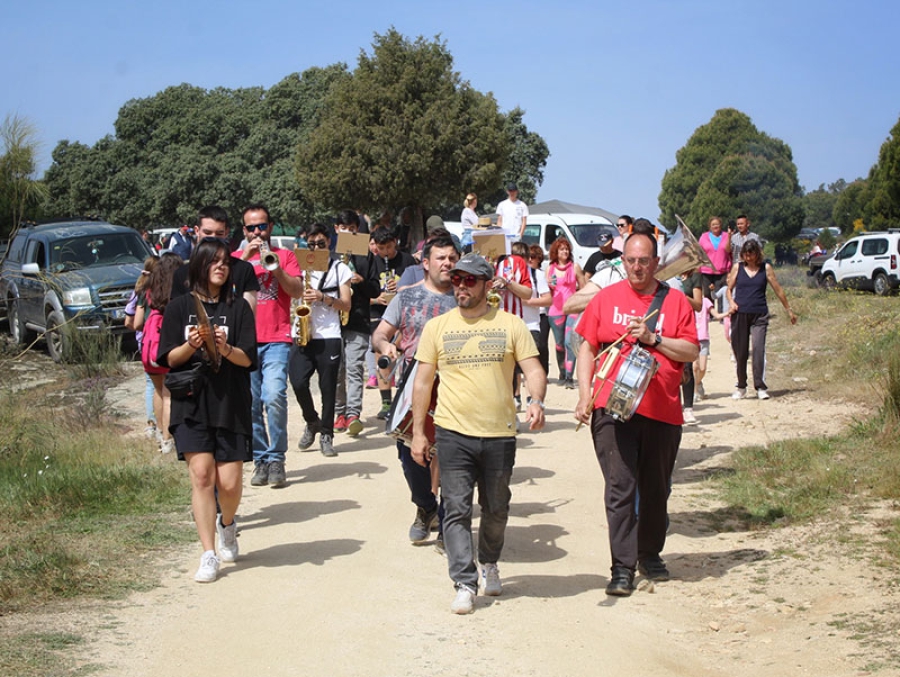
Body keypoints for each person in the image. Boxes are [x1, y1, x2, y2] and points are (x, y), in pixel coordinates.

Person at [410, 253, 547, 615]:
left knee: (496, 508)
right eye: (456, 279)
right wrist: (420, 434)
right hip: (452, 432)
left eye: (470, 280)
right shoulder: (437, 327)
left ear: (488, 285)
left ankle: (489, 562)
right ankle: (464, 582)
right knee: (454, 508)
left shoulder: (510, 324)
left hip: (499, 433)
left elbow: (533, 368)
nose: (461, 286)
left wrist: (536, 401)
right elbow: (423, 382)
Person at [574, 231, 699, 597]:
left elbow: (690, 351)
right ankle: (622, 567)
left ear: (656, 263)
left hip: (662, 410)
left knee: (656, 489)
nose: (637, 267)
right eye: (631, 260)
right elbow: (586, 348)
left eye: (645, 261)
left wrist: (654, 339)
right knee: (620, 488)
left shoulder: (675, 302)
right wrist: (584, 396)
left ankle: (650, 553)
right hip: (612, 410)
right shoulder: (605, 299)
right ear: (622, 261)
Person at [157, 237, 258, 583]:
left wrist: (225, 348)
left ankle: (227, 523)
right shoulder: (178, 307)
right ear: (199, 266)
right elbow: (168, 359)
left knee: (228, 485)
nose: (221, 266)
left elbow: (248, 359)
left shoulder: (238, 308)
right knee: (202, 476)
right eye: (214, 261)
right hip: (191, 402)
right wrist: (191, 344)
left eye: (226, 262)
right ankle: (208, 553)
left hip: (230, 401)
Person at [372, 234, 460, 545]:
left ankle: (450, 520)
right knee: (410, 453)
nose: (447, 263)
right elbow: (380, 334)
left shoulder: (466, 299)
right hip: (413, 384)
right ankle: (426, 506)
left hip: (455, 383)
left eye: (452, 258)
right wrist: (386, 346)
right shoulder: (406, 298)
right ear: (425, 263)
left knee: (451, 453)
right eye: (440, 258)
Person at [236, 205, 303, 488]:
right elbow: (225, 293)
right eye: (251, 228)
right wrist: (246, 260)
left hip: (276, 337)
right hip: (244, 341)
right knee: (250, 404)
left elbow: (297, 291)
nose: (256, 233)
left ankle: (277, 458)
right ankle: (260, 458)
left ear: (270, 227)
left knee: (274, 396)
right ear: (244, 231)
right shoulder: (234, 260)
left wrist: (273, 268)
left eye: (261, 226)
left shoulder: (285, 255)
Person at [291, 225, 353, 457]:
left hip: (329, 335)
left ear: (329, 243)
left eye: (320, 244)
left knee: (327, 388)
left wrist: (323, 297)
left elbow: (346, 304)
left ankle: (327, 433)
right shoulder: (300, 267)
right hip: (303, 333)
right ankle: (312, 420)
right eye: (312, 244)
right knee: (297, 381)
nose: (316, 248)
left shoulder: (340, 269)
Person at [726, 239, 797, 400]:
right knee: (741, 352)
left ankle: (760, 386)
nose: (749, 258)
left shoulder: (766, 268)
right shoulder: (738, 267)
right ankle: (741, 386)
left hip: (759, 314)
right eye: (746, 255)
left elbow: (778, 289)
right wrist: (732, 302)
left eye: (751, 255)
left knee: (758, 349)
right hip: (740, 313)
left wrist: (789, 310)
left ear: (757, 254)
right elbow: (729, 290)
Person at [333, 210, 380, 437]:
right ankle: (339, 413)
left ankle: (353, 414)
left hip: (359, 318)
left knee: (353, 368)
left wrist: (361, 281)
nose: (348, 231)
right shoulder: (331, 255)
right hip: (333, 322)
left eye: (352, 227)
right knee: (337, 369)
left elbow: (376, 288)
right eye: (344, 227)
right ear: (336, 229)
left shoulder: (366, 255)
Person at [170, 210, 259, 313]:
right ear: (197, 231)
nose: (213, 238)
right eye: (207, 233)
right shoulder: (182, 273)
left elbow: (249, 317)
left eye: (219, 233)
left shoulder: (244, 270)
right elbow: (175, 317)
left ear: (226, 232)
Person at [370, 228, 417, 419]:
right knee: (382, 356)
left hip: (403, 314)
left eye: (389, 247)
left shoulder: (406, 260)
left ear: (395, 242)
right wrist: (376, 298)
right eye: (382, 248)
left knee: (403, 355)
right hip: (379, 314)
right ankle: (386, 402)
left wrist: (399, 289)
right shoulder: (372, 262)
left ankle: (404, 397)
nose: (386, 252)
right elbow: (366, 291)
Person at [140, 252, 183, 454]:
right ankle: (168, 439)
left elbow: (138, 321)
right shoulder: (177, 291)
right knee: (169, 395)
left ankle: (160, 432)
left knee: (158, 391)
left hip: (149, 347)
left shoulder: (149, 290)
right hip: (167, 345)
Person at [125, 256, 159, 442]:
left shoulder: (138, 290)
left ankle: (151, 424)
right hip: (155, 341)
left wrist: (143, 331)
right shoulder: (155, 291)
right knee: (161, 387)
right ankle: (160, 424)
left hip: (144, 342)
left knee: (149, 385)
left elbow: (129, 320)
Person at [546, 236, 585, 388]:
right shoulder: (550, 269)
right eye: (562, 249)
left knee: (570, 342)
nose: (565, 251)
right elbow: (545, 291)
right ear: (556, 251)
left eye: (567, 249)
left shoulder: (574, 267)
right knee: (559, 345)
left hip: (572, 308)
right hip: (556, 309)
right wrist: (548, 284)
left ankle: (569, 377)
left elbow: (584, 286)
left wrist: (581, 302)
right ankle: (562, 373)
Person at [698, 216, 732, 299]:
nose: (715, 226)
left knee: (721, 296)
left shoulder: (727, 236)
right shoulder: (704, 237)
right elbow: (699, 252)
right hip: (706, 272)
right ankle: (710, 312)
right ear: (710, 226)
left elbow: (730, 251)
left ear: (721, 225)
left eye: (717, 224)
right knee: (708, 296)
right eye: (713, 224)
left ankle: (721, 312)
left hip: (721, 272)